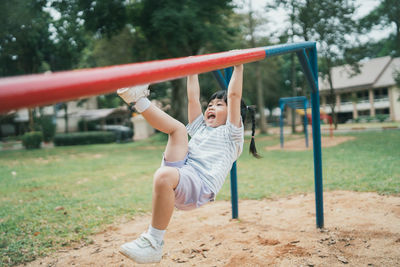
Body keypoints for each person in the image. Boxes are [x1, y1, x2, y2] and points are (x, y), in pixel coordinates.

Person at [117, 64, 259, 264]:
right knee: (178, 130)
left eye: (219, 105)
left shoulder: (231, 134)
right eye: (210, 104)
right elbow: (193, 98)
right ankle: (137, 99)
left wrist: (239, 66)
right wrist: (192, 70)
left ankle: (153, 242)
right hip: (184, 170)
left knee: (162, 176)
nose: (211, 107)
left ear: (235, 116)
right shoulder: (200, 128)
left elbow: (234, 96)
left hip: (199, 185)